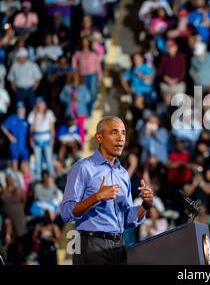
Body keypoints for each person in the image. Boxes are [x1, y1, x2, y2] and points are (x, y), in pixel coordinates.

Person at [60, 116, 154, 265]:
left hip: (119, 245)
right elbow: (66, 213)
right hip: (89, 245)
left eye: (123, 133)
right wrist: (96, 197)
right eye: (114, 132)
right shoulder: (83, 168)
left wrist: (145, 206)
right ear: (99, 137)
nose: (120, 138)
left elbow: (127, 219)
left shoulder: (122, 173)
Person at [28, 97, 56, 181]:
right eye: (38, 103)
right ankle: (38, 178)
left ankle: (52, 177)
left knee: (49, 160)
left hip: (47, 140)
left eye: (42, 103)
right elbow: (31, 129)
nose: (40, 105)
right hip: (36, 140)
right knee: (37, 160)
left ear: (44, 104)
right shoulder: (33, 114)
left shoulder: (49, 113)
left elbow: (52, 128)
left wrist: (52, 139)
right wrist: (31, 140)